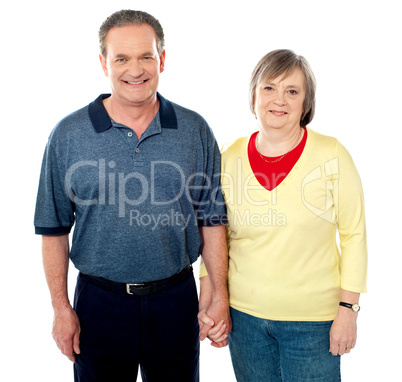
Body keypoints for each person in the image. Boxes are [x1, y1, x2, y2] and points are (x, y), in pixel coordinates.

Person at [34, 9, 230, 382]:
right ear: (103, 62)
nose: (135, 69)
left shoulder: (194, 130)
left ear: (162, 60)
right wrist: (61, 308)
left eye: (146, 56)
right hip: (98, 304)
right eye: (121, 58)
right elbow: (53, 229)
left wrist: (218, 292)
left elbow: (212, 220)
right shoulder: (68, 135)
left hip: (175, 300)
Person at [198, 49, 368, 381]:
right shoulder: (229, 157)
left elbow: (354, 235)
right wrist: (210, 304)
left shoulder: (332, 154)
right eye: (269, 88)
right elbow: (214, 234)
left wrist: (349, 311)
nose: (280, 100)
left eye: (292, 91)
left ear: (306, 103)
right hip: (245, 320)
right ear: (254, 96)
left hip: (313, 323)